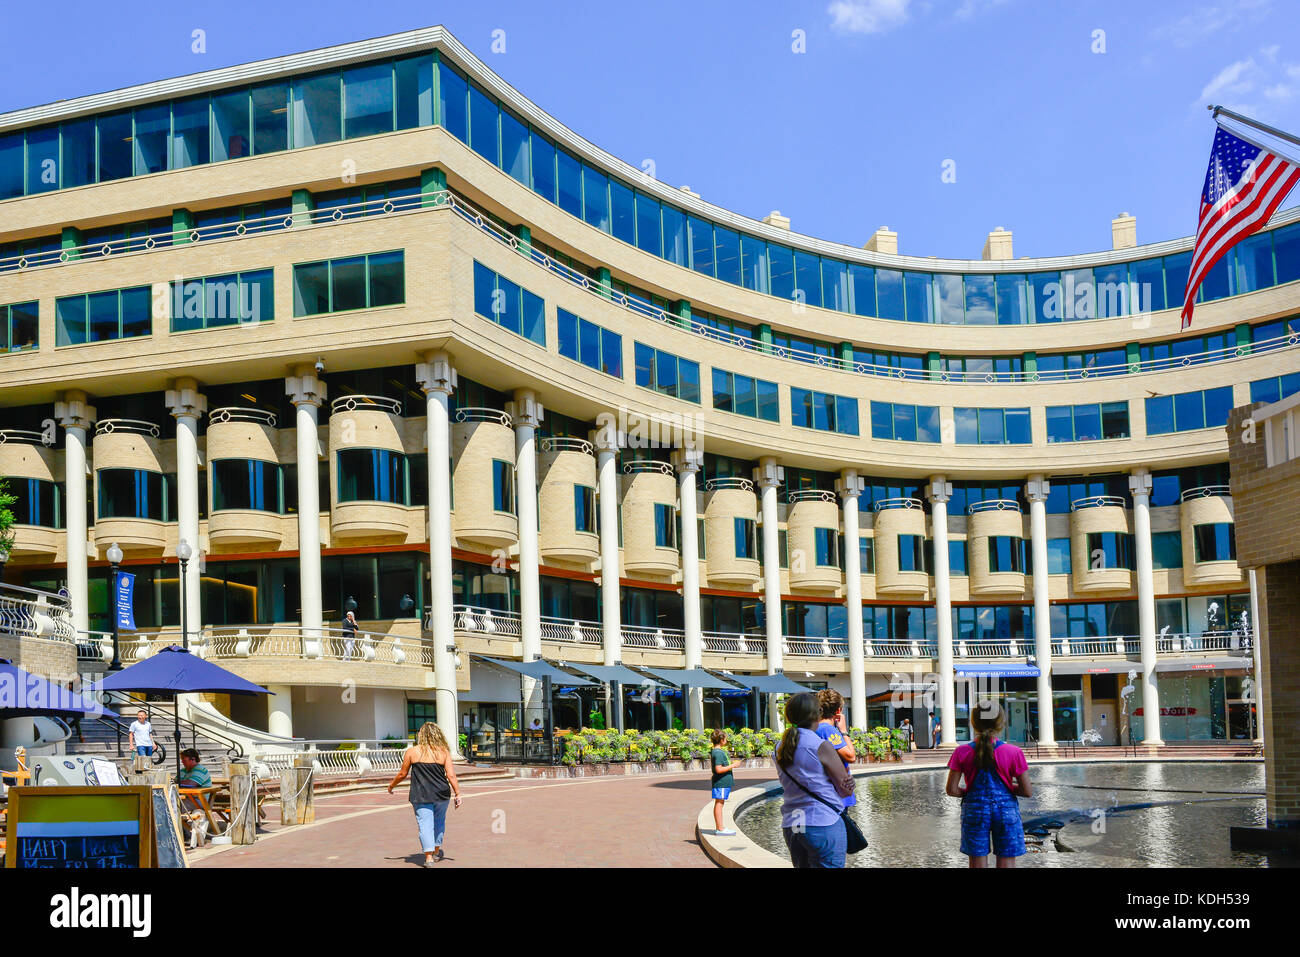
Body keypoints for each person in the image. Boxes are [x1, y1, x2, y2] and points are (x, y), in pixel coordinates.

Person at [945, 700, 1032, 868]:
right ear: (1001, 723)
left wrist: (970, 792)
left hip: (975, 811)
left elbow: (952, 790)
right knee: (1006, 859)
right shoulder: (1014, 752)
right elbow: (1027, 791)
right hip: (1006, 812)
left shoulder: (961, 751)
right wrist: (1008, 788)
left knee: (977, 860)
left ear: (973, 723)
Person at [774, 692, 853, 868]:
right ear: (817, 714)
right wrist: (849, 783)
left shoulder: (779, 746)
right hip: (821, 821)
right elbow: (845, 789)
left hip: (793, 822)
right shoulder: (820, 745)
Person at [388, 722, 463, 866]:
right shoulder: (443, 752)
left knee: (425, 825)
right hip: (442, 793)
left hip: (421, 794)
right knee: (439, 822)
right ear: (438, 735)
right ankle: (436, 851)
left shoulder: (412, 752)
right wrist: (458, 793)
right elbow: (451, 775)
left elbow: (403, 773)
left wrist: (391, 785)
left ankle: (428, 857)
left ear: (421, 735)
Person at [815, 689, 856, 810]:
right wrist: (844, 731)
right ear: (838, 711)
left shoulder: (815, 728)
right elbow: (851, 756)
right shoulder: (827, 730)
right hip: (837, 793)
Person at [709, 730, 743, 836]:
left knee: (720, 803)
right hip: (721, 782)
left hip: (722, 782)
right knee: (719, 803)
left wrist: (731, 764)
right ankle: (720, 828)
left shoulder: (716, 752)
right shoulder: (718, 753)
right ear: (721, 740)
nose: (727, 740)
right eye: (725, 738)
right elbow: (718, 769)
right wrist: (733, 766)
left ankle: (720, 827)